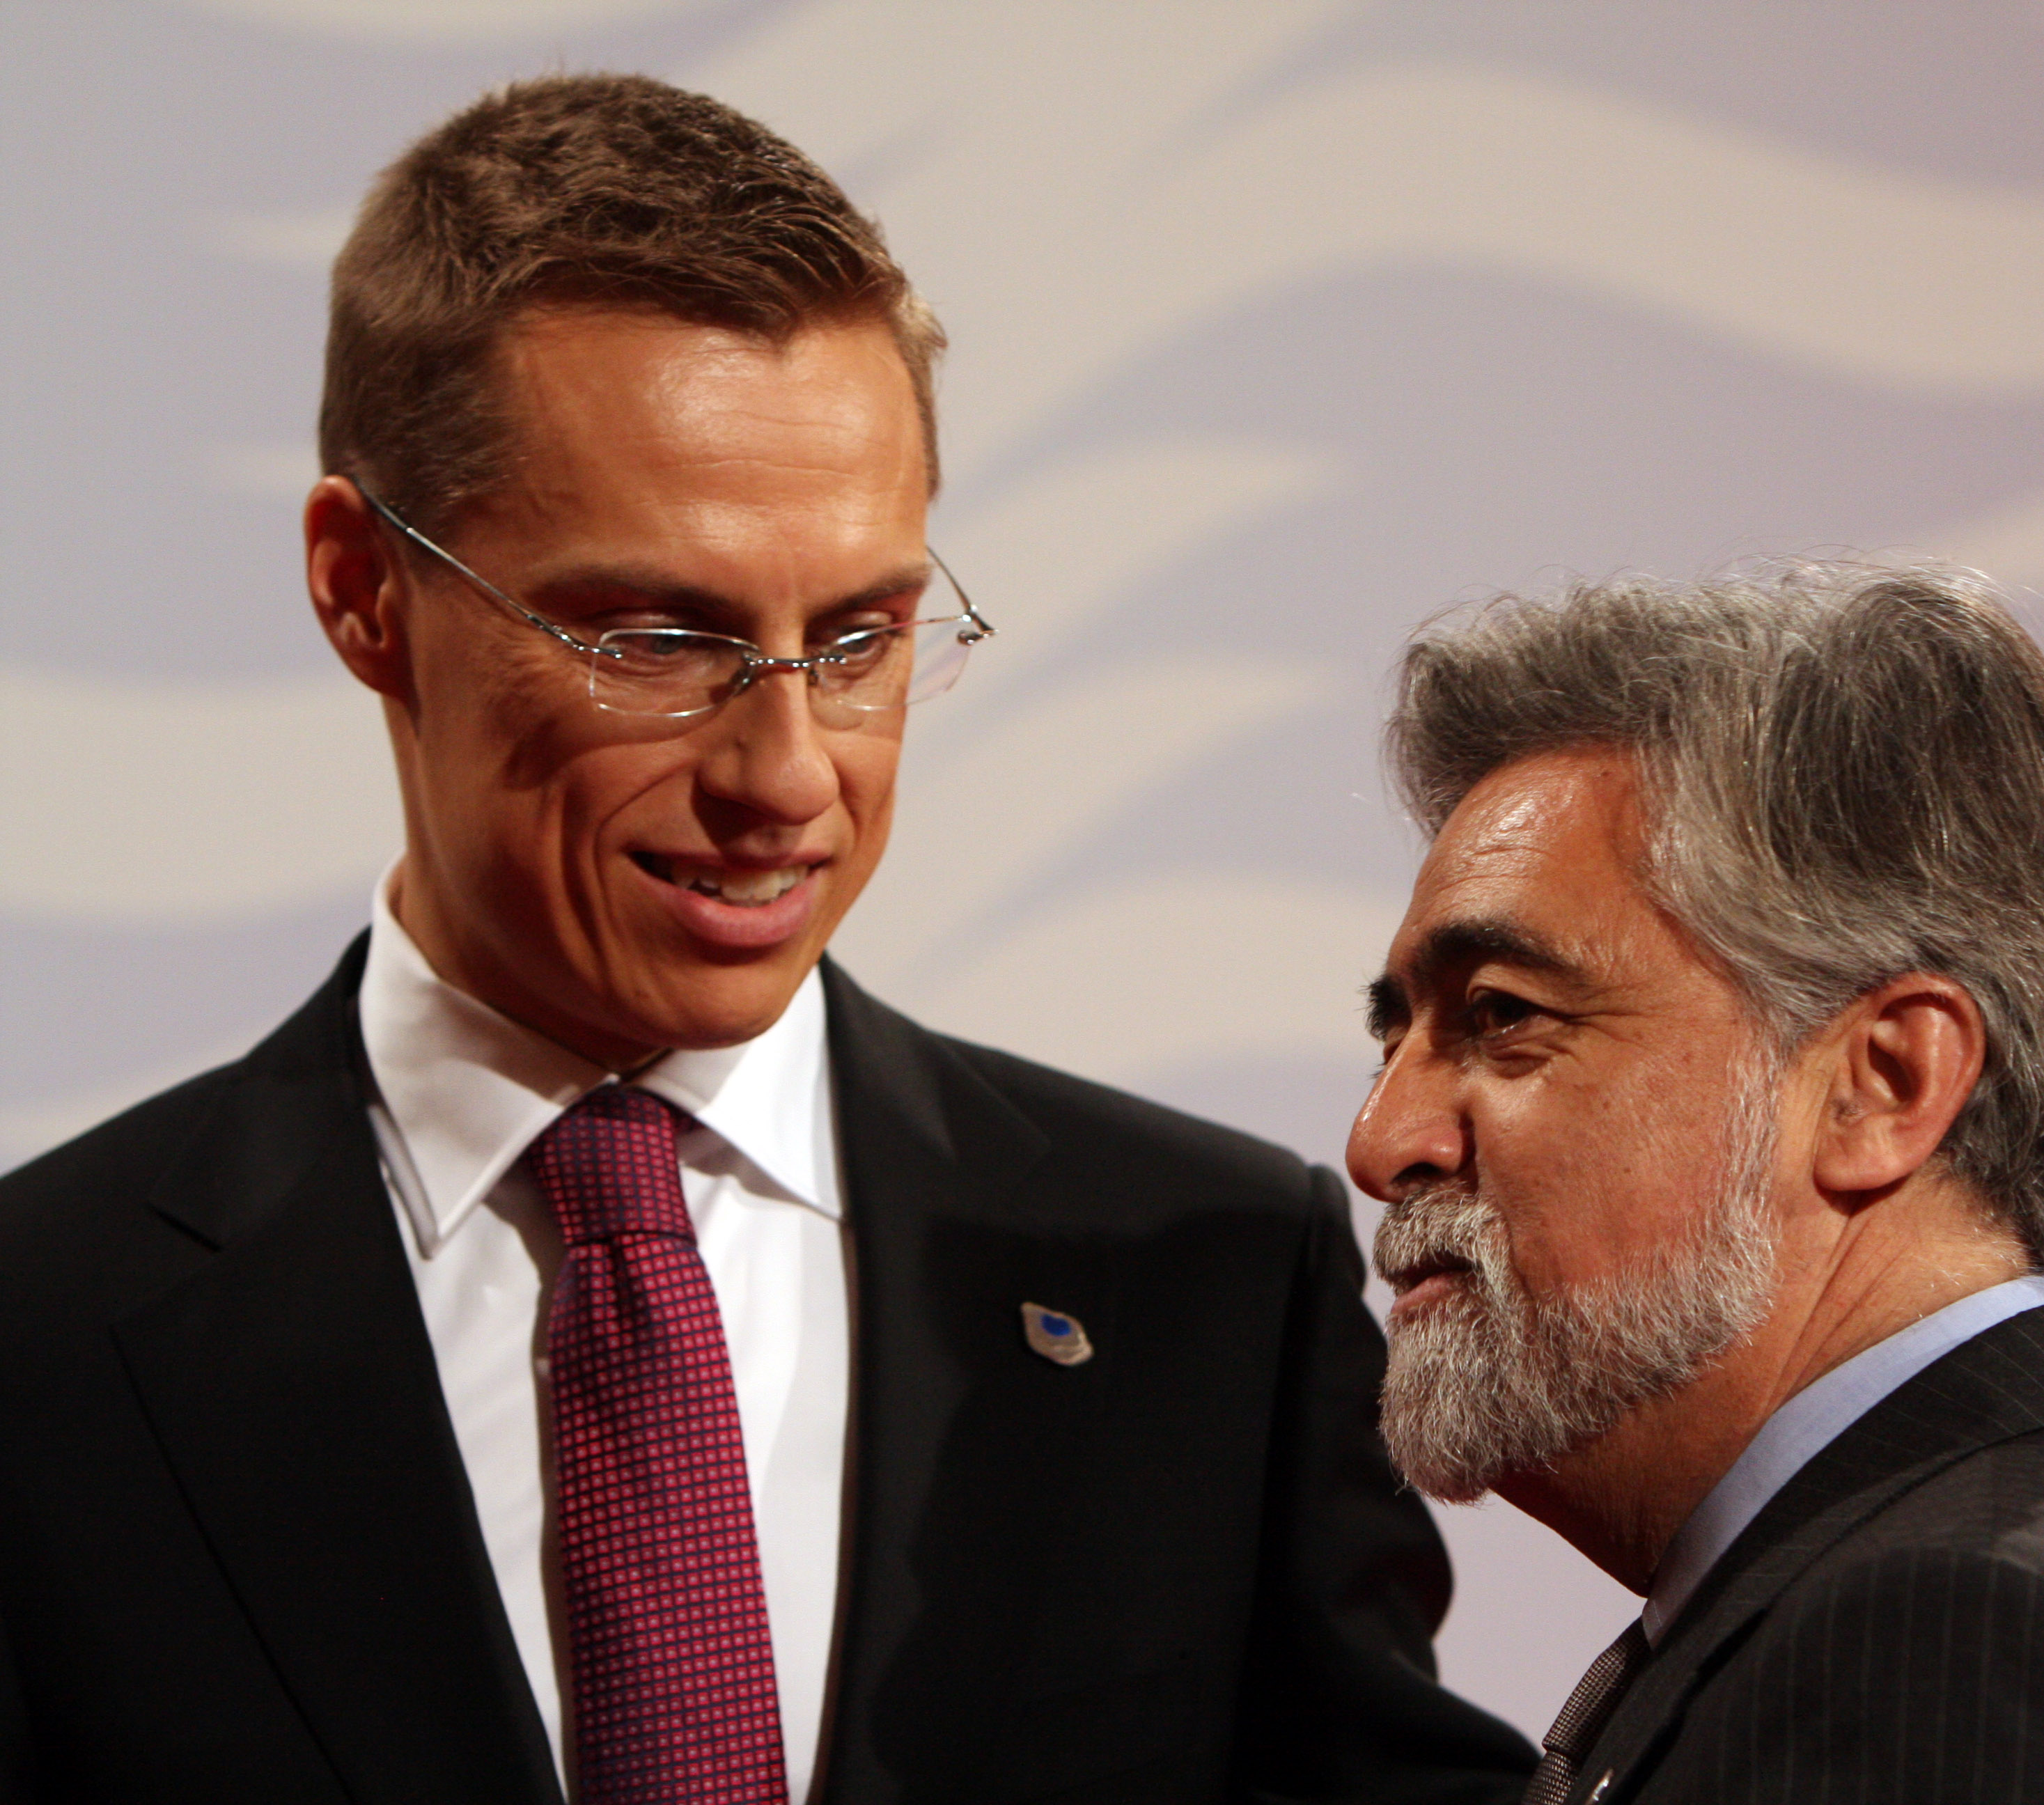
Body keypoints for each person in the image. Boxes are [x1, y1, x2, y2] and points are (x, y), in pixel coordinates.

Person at [0, 74, 1530, 1805]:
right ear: (365, 590)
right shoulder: (42, 1343)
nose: (790, 777)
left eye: (862, 640)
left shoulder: (1206, 1287)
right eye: (659, 640)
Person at [1348, 561, 2044, 1805]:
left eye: (1503, 1015)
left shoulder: (1956, 1649)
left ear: (1882, 1086)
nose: (1382, 1139)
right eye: (1392, 1036)